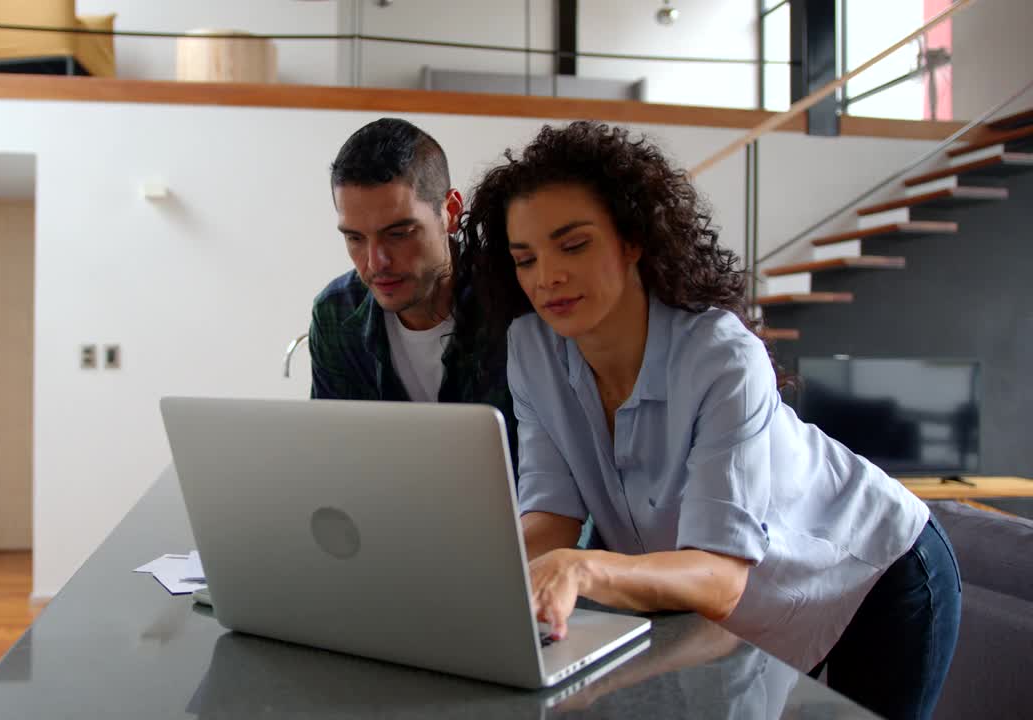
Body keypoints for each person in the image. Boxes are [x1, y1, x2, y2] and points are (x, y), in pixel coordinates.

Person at [454, 120, 960, 720]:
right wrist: (477, 572)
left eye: (574, 245)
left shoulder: (721, 354)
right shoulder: (532, 348)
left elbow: (719, 577)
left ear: (632, 239)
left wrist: (582, 567)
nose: (547, 277)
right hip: (740, 601)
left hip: (877, 573)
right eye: (525, 258)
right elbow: (553, 515)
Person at [309, 118, 515, 452]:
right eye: (355, 238)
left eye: (399, 234)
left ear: (450, 211)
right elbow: (334, 458)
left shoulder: (512, 302)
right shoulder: (336, 315)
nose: (376, 263)